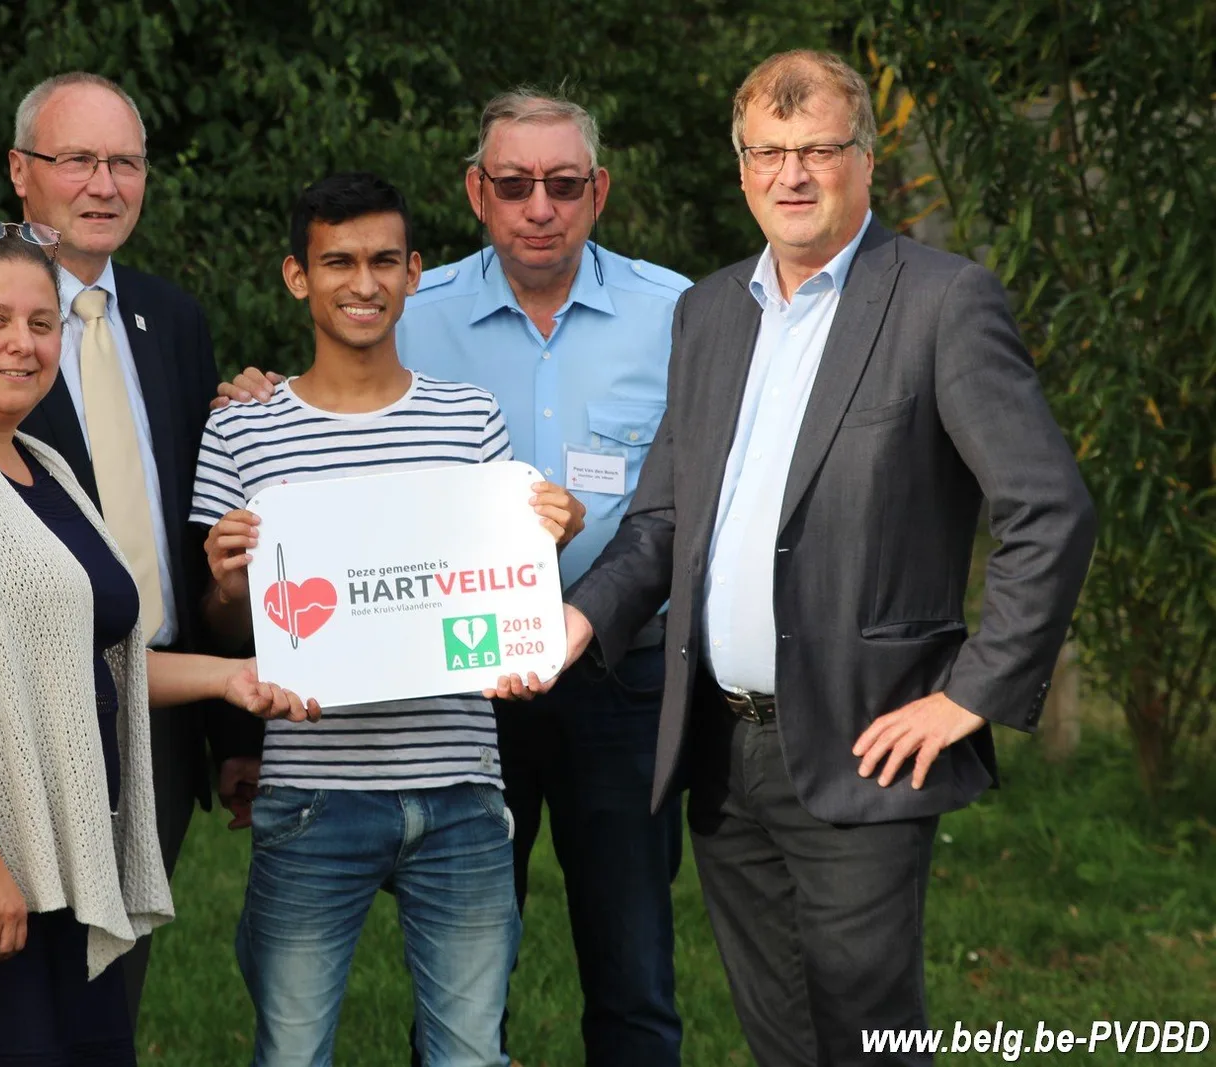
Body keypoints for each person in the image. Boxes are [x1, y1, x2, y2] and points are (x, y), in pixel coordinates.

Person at [503, 51, 1097, 1066]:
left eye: (817, 149)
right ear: (741, 167)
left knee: (865, 1037)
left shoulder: (941, 302)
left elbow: (1048, 507)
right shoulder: (709, 312)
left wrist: (971, 693)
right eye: (768, 151)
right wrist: (580, 617)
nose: (792, 174)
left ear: (863, 159)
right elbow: (664, 518)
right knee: (779, 1034)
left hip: (866, 737)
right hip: (720, 749)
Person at [219, 89, 691, 1065]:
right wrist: (256, 390)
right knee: (470, 981)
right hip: (457, 690)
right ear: (477, 192)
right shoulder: (405, 307)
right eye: (513, 184)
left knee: (635, 969)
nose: (539, 206)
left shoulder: (675, 313)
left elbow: (694, 497)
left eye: (563, 184)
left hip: (621, 677)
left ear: (598, 191)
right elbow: (327, 415)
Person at [0, 221, 316, 1066]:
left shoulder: (40, 464)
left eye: (42, 324)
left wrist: (232, 678)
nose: (24, 343)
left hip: (53, 876)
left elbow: (80, 656)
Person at [0, 71, 262, 1020]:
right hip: (1, 718)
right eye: (77, 159)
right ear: (20, 171)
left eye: (125, 163)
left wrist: (235, 735)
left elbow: (196, 534)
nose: (104, 184)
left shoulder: (175, 319)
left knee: (108, 992)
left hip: (155, 712)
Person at [194, 172, 580, 1067]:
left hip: (461, 790)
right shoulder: (243, 430)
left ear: (413, 272)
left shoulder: (469, 419)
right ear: (298, 276)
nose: (362, 283)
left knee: (470, 1054)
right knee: (291, 1053)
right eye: (338, 262)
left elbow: (498, 590)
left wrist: (548, 547)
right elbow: (226, 634)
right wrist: (226, 583)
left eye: (382, 261)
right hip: (310, 792)